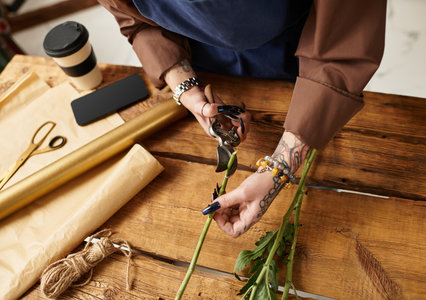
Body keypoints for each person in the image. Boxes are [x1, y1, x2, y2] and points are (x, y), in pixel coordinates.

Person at [98, 0, 387, 238]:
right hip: (198, 55)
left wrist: (278, 169)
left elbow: (343, 46)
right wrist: (184, 85)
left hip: (303, 50)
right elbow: (131, 16)